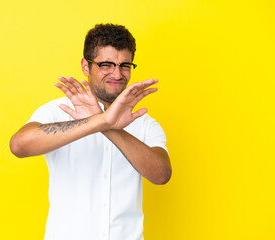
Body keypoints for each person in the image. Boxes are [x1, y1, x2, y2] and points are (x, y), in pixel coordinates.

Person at [10, 23, 172, 240]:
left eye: (125, 65)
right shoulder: (59, 110)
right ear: (86, 67)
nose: (117, 73)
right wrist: (98, 121)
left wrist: (106, 124)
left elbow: (161, 174)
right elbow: (19, 145)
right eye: (106, 64)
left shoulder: (144, 123)